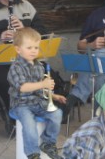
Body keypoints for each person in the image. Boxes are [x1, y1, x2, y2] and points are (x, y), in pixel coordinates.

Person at [7, 27, 66, 159]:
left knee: (57, 114)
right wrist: (43, 83)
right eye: (29, 48)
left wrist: (54, 96)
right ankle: (33, 153)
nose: (34, 51)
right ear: (18, 49)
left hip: (38, 101)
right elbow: (22, 87)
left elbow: (40, 89)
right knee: (29, 124)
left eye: (36, 47)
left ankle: (48, 143)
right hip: (21, 104)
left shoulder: (39, 66)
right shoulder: (15, 67)